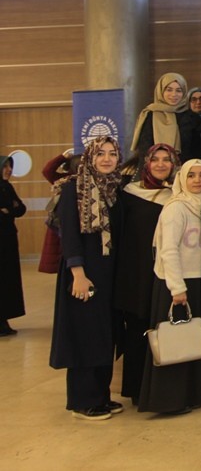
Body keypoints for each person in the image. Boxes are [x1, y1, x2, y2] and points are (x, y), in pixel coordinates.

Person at [49, 137, 123, 420]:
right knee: (85, 335)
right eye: (100, 153)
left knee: (104, 334)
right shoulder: (73, 188)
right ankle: (82, 401)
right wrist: (78, 273)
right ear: (90, 157)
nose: (106, 159)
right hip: (83, 274)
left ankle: (101, 396)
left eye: (112, 154)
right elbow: (69, 235)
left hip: (108, 274)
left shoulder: (114, 189)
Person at [137, 158, 201, 415]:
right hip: (175, 282)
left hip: (196, 279)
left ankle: (188, 396)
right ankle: (168, 401)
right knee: (173, 342)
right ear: (182, 178)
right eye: (191, 175)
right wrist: (177, 287)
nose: (197, 180)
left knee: (190, 341)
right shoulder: (176, 208)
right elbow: (168, 250)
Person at [112, 143, 177, 402]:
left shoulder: (177, 195)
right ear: (146, 163)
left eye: (166, 160)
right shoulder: (128, 194)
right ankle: (137, 390)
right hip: (135, 275)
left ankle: (162, 391)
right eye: (155, 159)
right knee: (137, 332)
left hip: (164, 273)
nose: (161, 164)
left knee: (163, 329)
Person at [129, 72, 189, 159]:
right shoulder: (150, 115)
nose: (174, 94)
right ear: (161, 91)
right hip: (156, 165)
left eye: (178, 90)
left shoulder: (191, 117)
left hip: (185, 166)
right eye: (169, 90)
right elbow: (144, 150)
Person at [0, 153, 27, 337]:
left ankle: (4, 319)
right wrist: (11, 208)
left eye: (10, 166)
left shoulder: (7, 187)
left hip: (8, 240)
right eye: (5, 166)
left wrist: (8, 210)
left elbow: (21, 209)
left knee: (8, 280)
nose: (9, 170)